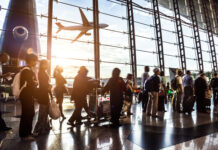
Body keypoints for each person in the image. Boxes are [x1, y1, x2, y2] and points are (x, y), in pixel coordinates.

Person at [19, 53, 38, 141]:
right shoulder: (27, 70)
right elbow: (31, 83)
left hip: (28, 95)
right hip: (26, 95)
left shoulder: (28, 70)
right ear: (31, 60)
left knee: (30, 114)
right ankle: (24, 135)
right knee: (26, 115)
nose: (36, 62)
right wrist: (35, 83)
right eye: (35, 60)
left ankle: (28, 132)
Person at [34, 60, 52, 135]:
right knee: (42, 112)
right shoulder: (41, 73)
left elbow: (45, 84)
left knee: (45, 112)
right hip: (43, 94)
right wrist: (48, 87)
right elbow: (43, 85)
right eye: (46, 64)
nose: (47, 65)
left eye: (47, 64)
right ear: (42, 65)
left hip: (45, 94)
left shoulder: (43, 72)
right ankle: (38, 129)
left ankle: (45, 127)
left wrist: (49, 91)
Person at [0, 52, 12, 131]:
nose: (7, 61)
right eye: (6, 59)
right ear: (2, 57)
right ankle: (2, 126)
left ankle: (2, 126)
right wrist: (5, 75)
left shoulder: (0, 65)